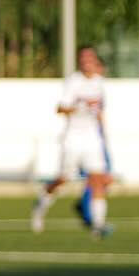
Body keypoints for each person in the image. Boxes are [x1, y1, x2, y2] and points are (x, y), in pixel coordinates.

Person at [31, 46, 112, 238]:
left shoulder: (100, 83)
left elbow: (100, 111)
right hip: (73, 138)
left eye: (89, 58)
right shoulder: (73, 82)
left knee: (97, 180)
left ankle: (97, 225)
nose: (86, 62)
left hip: (92, 138)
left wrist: (104, 136)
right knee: (63, 178)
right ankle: (40, 205)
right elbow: (60, 108)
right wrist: (79, 106)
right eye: (83, 58)